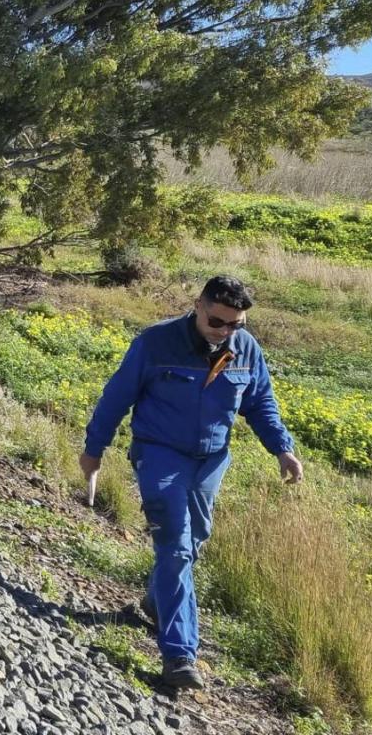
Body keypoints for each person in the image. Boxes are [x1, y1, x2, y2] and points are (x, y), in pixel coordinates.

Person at [80, 276, 303, 691]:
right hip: (159, 454)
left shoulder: (245, 349)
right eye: (218, 321)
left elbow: (260, 403)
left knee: (194, 539)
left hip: (210, 462)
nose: (226, 331)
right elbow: (116, 397)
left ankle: (157, 601)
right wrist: (94, 451)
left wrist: (282, 449)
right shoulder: (155, 343)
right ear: (197, 305)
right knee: (176, 548)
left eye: (236, 324)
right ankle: (180, 655)